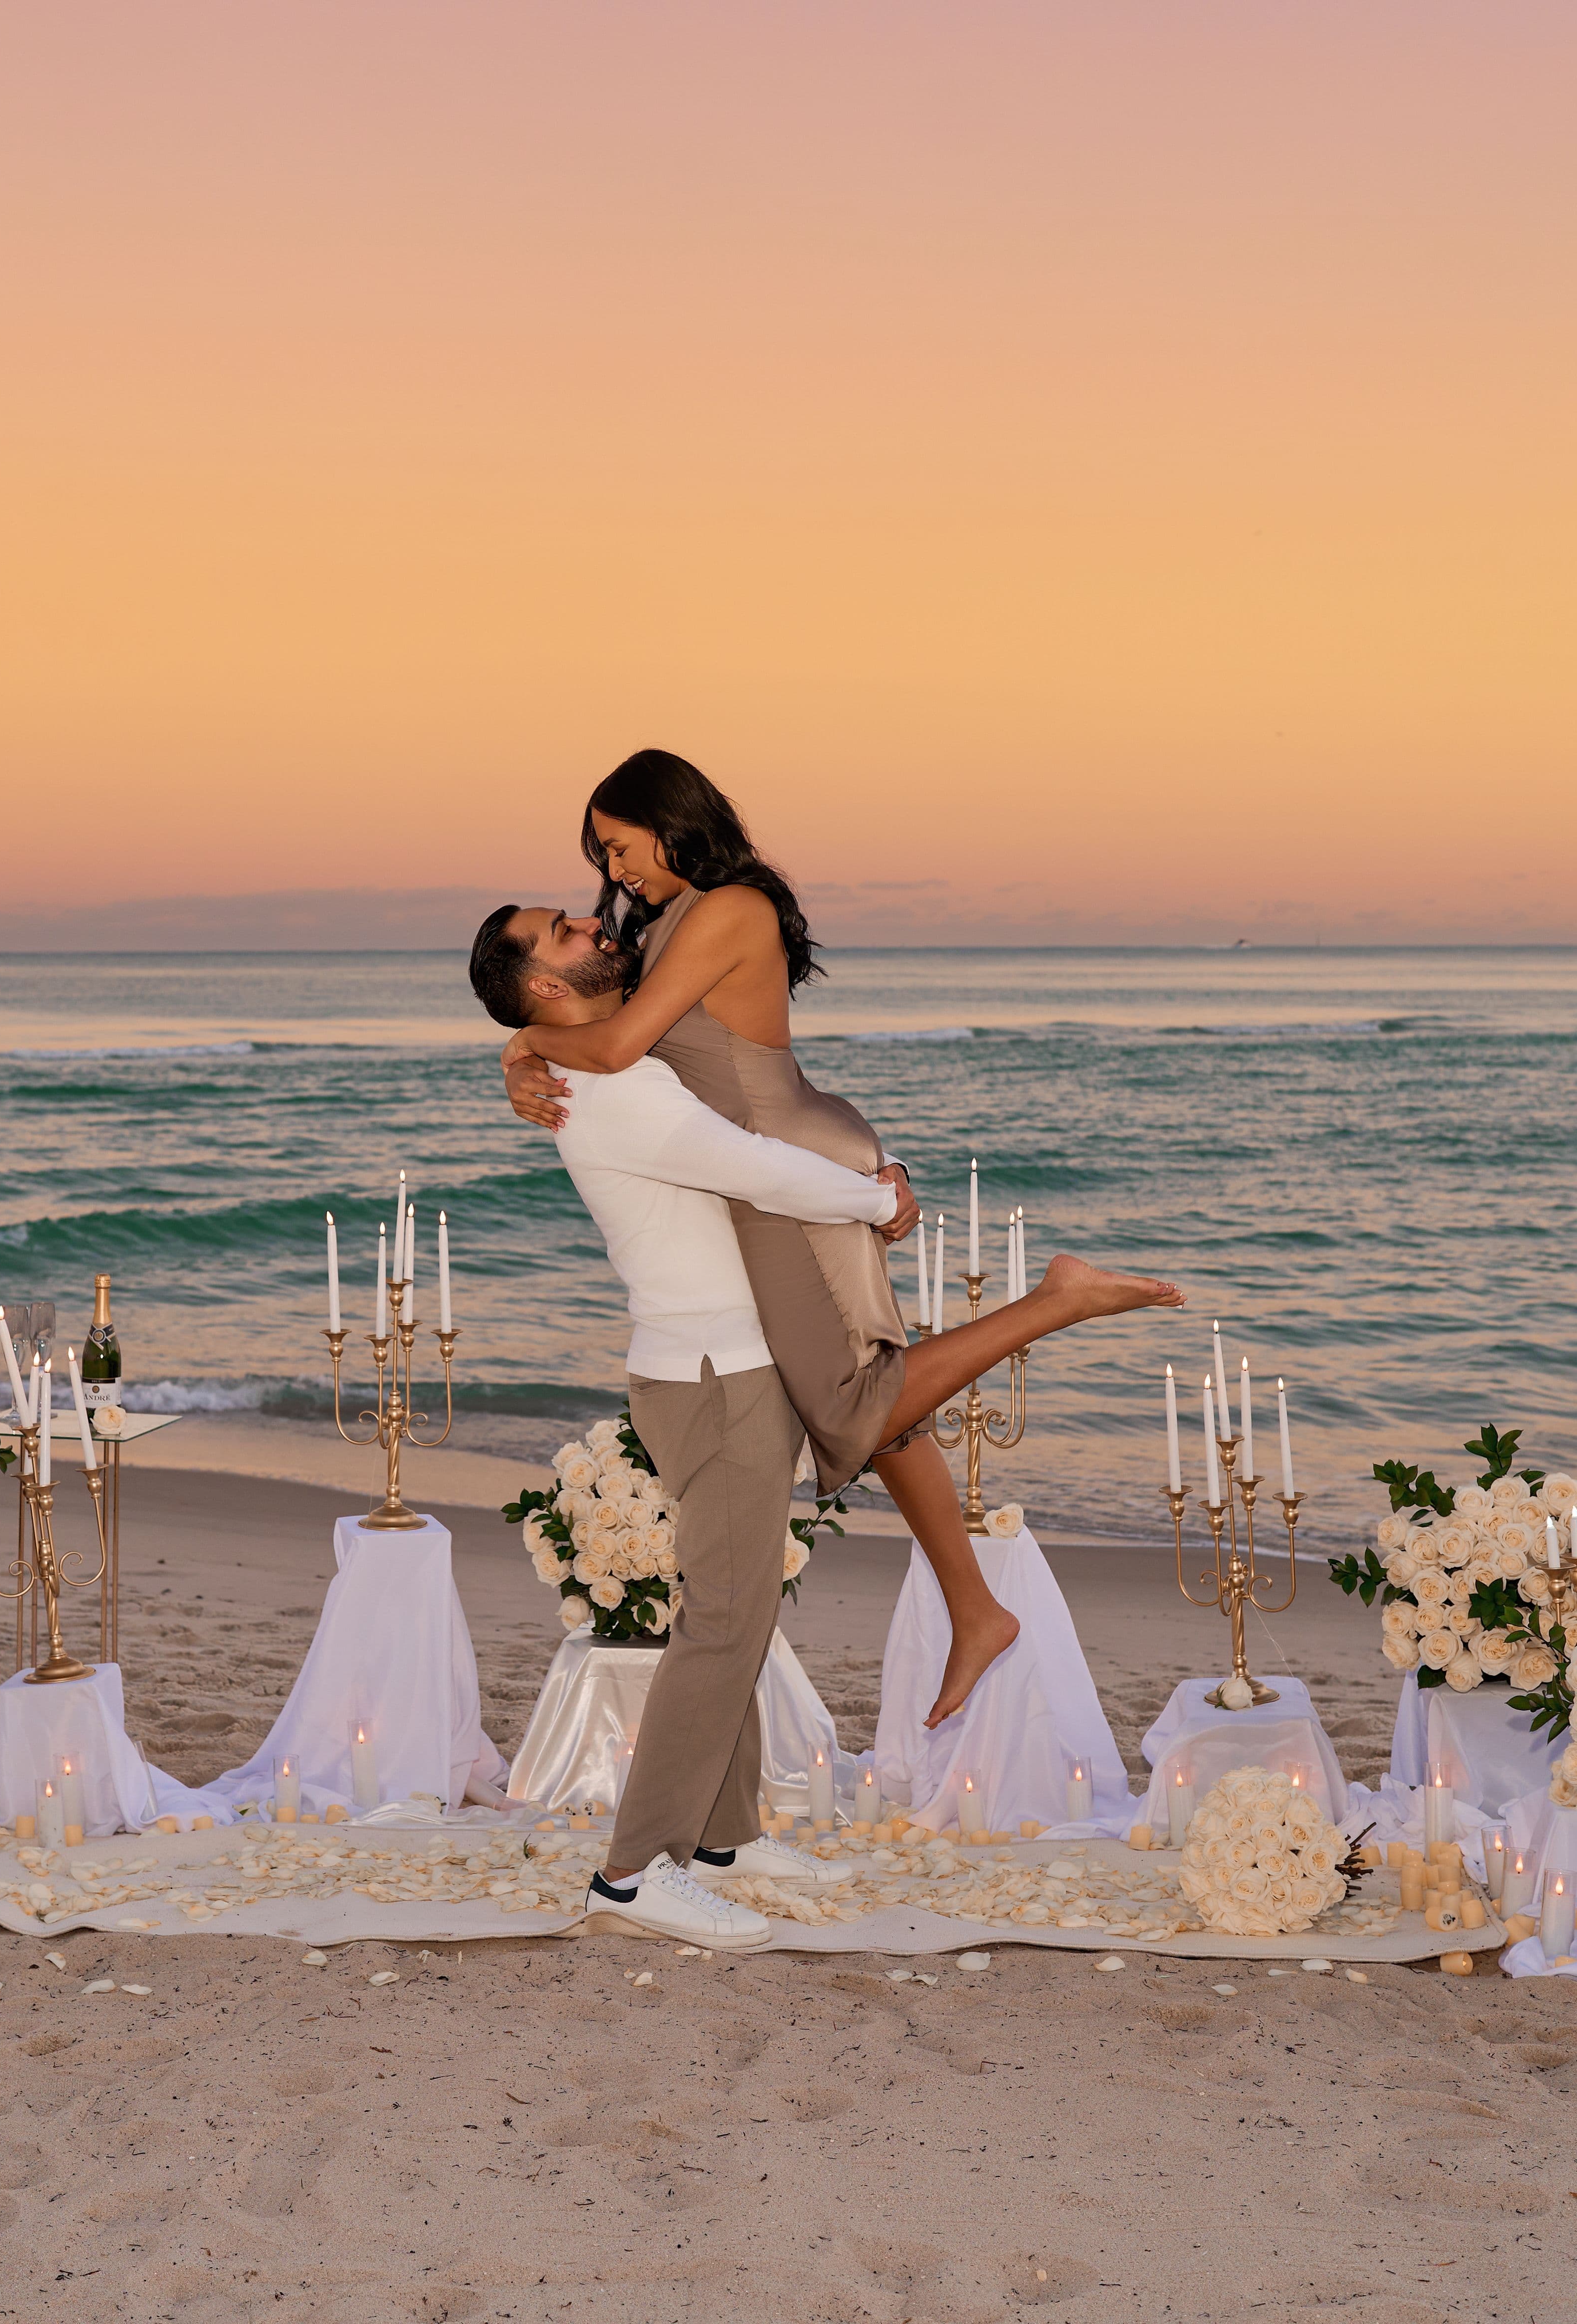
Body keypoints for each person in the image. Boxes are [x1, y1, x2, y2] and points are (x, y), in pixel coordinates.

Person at [498, 748, 1185, 1727]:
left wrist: (523, 1043)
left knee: (851, 1397)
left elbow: (611, 1044)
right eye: (601, 856)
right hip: (779, 1166)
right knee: (872, 1399)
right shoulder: (667, 924)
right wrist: (524, 1052)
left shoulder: (730, 907)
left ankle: (1057, 1299)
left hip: (790, 1172)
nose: (612, 873)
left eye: (618, 846)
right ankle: (976, 1609)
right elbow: (619, 1036)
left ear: (669, 818)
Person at [469, 900, 916, 1948]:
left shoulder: (602, 1063)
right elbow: (753, 1165)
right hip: (716, 1378)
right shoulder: (615, 1087)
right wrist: (877, 1199)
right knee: (721, 1621)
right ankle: (630, 1875)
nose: (595, 921)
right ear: (544, 986)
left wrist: (518, 1051)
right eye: (566, 930)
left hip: (713, 1368)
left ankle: (724, 1839)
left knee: (736, 1610)